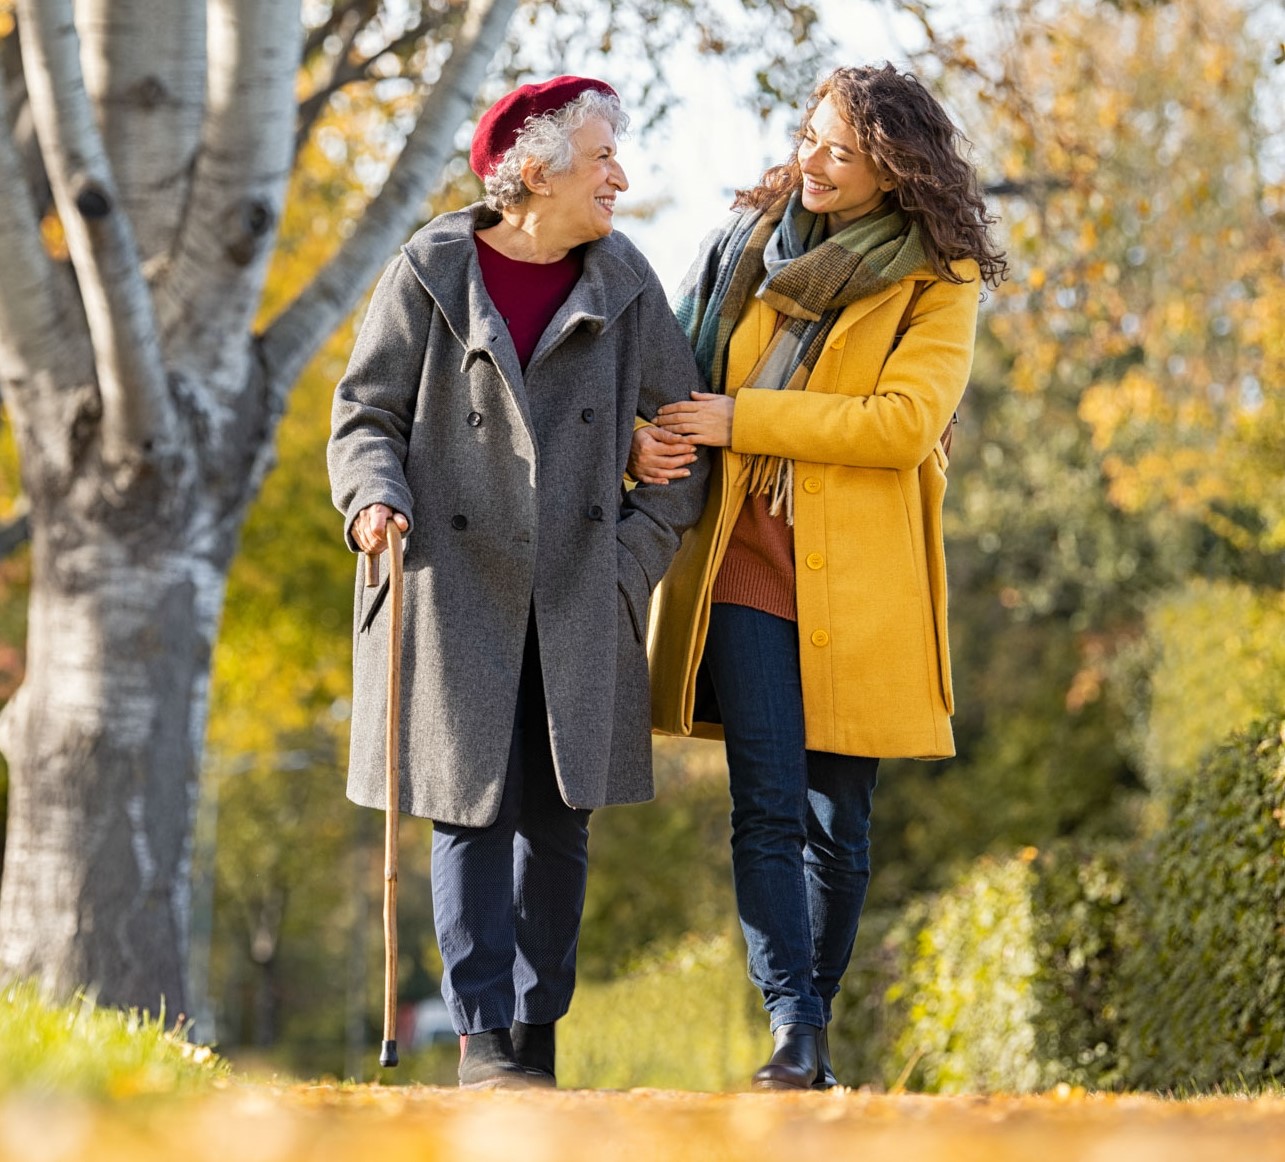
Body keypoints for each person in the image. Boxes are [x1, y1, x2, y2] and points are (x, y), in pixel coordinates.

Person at [328, 76, 709, 1089]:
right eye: (601, 161)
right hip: (455, 583)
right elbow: (366, 415)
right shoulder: (431, 271)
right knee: (471, 809)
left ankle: (538, 1033)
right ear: (534, 176)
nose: (621, 178)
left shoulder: (624, 279)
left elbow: (685, 441)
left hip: (581, 588)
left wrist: (630, 563)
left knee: (558, 816)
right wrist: (372, 498)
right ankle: (483, 1036)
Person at [633, 63, 1008, 1091]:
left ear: (894, 172)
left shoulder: (938, 281)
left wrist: (744, 419)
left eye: (841, 152)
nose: (812, 162)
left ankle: (814, 1023)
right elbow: (670, 363)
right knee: (765, 803)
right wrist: (645, 431)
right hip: (746, 559)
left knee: (840, 821)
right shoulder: (747, 247)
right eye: (809, 137)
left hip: (864, 582)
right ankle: (793, 1032)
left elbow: (899, 424)